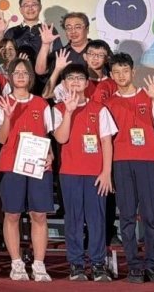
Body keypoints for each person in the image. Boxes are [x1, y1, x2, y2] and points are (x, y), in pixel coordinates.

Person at [104, 53, 154, 283]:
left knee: (151, 215)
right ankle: (133, 265)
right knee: (127, 216)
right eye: (116, 72)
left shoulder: (149, 96)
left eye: (125, 71)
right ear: (111, 76)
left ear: (133, 72)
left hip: (148, 162)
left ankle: (152, 264)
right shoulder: (108, 104)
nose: (121, 76)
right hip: (121, 163)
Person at [50, 63, 117, 282]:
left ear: (87, 83)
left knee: (97, 218)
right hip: (69, 172)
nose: (76, 82)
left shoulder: (100, 109)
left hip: (95, 174)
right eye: (71, 78)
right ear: (64, 83)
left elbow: (106, 142)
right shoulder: (58, 109)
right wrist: (69, 111)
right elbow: (61, 138)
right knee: (73, 218)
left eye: (80, 78)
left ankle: (98, 264)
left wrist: (106, 172)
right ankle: (76, 264)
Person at [0, 59, 53, 282]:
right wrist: (8, 116)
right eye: (16, 72)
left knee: (39, 214)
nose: (20, 76)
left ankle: (39, 263)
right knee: (12, 214)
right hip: (11, 164)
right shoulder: (3, 102)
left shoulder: (41, 104)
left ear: (30, 77)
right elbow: (1, 138)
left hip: (38, 164)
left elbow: (47, 135)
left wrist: (50, 155)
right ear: (10, 77)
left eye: (24, 72)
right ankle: (16, 262)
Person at [2, 0, 60, 65]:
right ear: (20, 10)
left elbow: (58, 57)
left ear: (40, 7)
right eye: (26, 5)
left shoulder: (50, 30)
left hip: (44, 71)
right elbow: (2, 56)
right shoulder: (11, 32)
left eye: (34, 4)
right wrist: (0, 33)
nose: (30, 8)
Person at [36, 11, 90, 77]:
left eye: (77, 27)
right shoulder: (59, 54)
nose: (73, 31)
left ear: (87, 29)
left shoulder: (98, 49)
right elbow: (40, 71)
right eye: (68, 28)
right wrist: (45, 44)